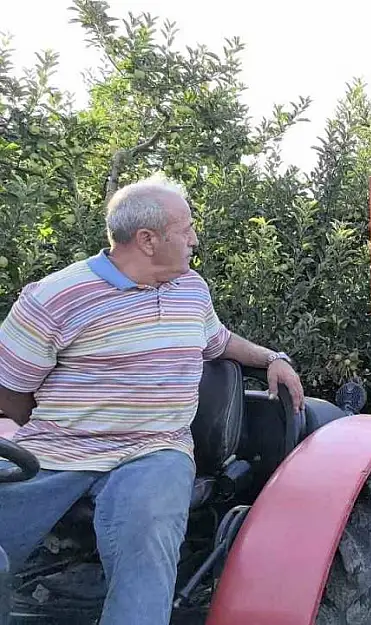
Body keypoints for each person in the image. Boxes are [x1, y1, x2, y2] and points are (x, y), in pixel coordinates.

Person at [0, 173, 305, 625]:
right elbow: (10, 393)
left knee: (147, 537)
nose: (194, 239)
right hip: (56, 451)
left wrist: (271, 357)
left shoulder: (191, 288)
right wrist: (66, 429)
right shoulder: (54, 297)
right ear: (146, 239)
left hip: (155, 449)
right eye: (186, 230)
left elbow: (216, 341)